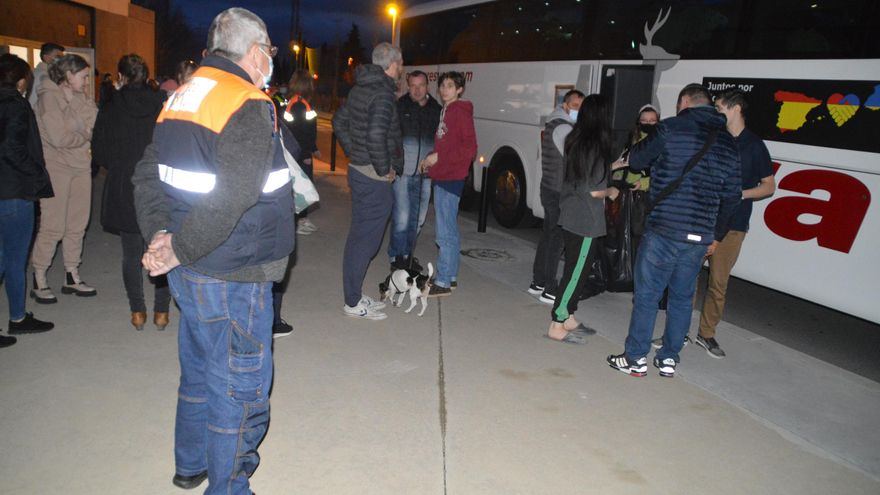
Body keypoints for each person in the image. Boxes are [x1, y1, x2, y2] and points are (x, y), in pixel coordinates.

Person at [132, 8, 295, 493]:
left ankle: (191, 463)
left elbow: (147, 174)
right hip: (233, 270)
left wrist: (162, 237)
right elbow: (232, 197)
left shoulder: (183, 96)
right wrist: (177, 247)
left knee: (201, 369)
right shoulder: (246, 101)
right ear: (253, 50)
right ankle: (228, 487)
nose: (271, 60)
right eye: (270, 50)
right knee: (240, 391)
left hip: (192, 265)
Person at [607, 83, 741, 378]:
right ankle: (668, 359)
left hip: (665, 228)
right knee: (682, 298)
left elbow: (639, 159)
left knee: (647, 295)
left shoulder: (670, 128)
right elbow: (732, 197)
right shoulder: (729, 142)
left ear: (684, 102)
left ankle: (635, 358)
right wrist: (716, 236)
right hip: (699, 236)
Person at [693, 88, 776, 358]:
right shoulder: (714, 139)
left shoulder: (754, 146)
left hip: (734, 225)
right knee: (686, 277)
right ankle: (676, 331)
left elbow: (769, 187)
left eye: (719, 107)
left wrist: (739, 193)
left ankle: (706, 334)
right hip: (703, 220)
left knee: (718, 284)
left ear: (736, 108)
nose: (715, 112)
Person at [92, 54, 169, 331]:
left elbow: (99, 148)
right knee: (161, 244)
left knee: (130, 252)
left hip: (126, 183)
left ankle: (138, 311)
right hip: (157, 183)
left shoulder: (111, 105)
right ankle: (162, 311)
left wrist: (119, 165)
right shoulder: (161, 102)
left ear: (121, 76)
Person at [332, 42, 403, 320]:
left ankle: (355, 294)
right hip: (373, 177)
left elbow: (339, 121)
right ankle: (352, 302)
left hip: (361, 171)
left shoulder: (361, 88)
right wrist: (384, 168)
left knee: (361, 236)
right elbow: (376, 135)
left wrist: (353, 152)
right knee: (365, 241)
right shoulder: (382, 95)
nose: (401, 69)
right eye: (400, 64)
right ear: (392, 65)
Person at [547, 94, 620, 343]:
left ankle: (568, 315)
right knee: (576, 272)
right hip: (586, 219)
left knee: (572, 268)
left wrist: (613, 166)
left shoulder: (575, 140)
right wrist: (611, 191)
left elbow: (582, 175)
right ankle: (557, 322)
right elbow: (594, 190)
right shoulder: (597, 146)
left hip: (570, 212)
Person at [30, 53, 98, 303]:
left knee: (78, 223)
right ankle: (39, 276)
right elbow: (60, 138)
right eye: (83, 76)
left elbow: (95, 126)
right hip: (56, 167)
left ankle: (72, 273)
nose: (87, 81)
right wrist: (82, 132)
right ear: (69, 76)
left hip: (81, 166)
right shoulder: (48, 98)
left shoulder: (81, 98)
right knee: (53, 225)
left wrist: (79, 124)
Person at [0, 54, 55, 346]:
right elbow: (12, 147)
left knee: (1, 258)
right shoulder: (16, 105)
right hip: (14, 192)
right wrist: (36, 174)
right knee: (15, 258)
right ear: (21, 80)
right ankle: (18, 318)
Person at [420, 71, 478, 297]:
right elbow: (448, 144)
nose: (445, 90)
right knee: (449, 231)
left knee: (444, 233)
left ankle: (443, 281)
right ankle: (449, 276)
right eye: (443, 85)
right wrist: (433, 157)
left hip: (450, 177)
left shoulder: (459, 112)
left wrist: (439, 158)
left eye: (450, 86)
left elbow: (469, 148)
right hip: (444, 174)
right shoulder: (448, 110)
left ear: (460, 89)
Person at [528, 89, 584, 305]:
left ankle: (538, 282)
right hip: (559, 190)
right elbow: (575, 160)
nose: (579, 110)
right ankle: (550, 287)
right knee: (556, 238)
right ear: (566, 105)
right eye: (577, 106)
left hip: (549, 187)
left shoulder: (553, 123)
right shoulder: (564, 128)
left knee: (548, 235)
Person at [388, 69, 441, 272]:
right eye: (413, 86)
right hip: (402, 172)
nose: (417, 90)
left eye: (421, 85)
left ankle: (407, 256)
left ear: (428, 86)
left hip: (425, 175)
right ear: (407, 86)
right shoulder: (400, 106)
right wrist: (393, 164)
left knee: (417, 219)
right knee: (402, 217)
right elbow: (390, 137)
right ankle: (396, 258)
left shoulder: (435, 109)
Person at [283, 68, 320, 235]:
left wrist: (314, 148)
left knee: (297, 186)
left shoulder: (292, 102)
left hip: (293, 152)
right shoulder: (301, 105)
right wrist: (307, 154)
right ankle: (297, 222)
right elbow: (304, 132)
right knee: (303, 187)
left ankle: (301, 219)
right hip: (300, 154)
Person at [27, 42, 64, 107]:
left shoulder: (35, 72)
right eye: (58, 57)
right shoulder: (44, 76)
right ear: (46, 58)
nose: (62, 60)